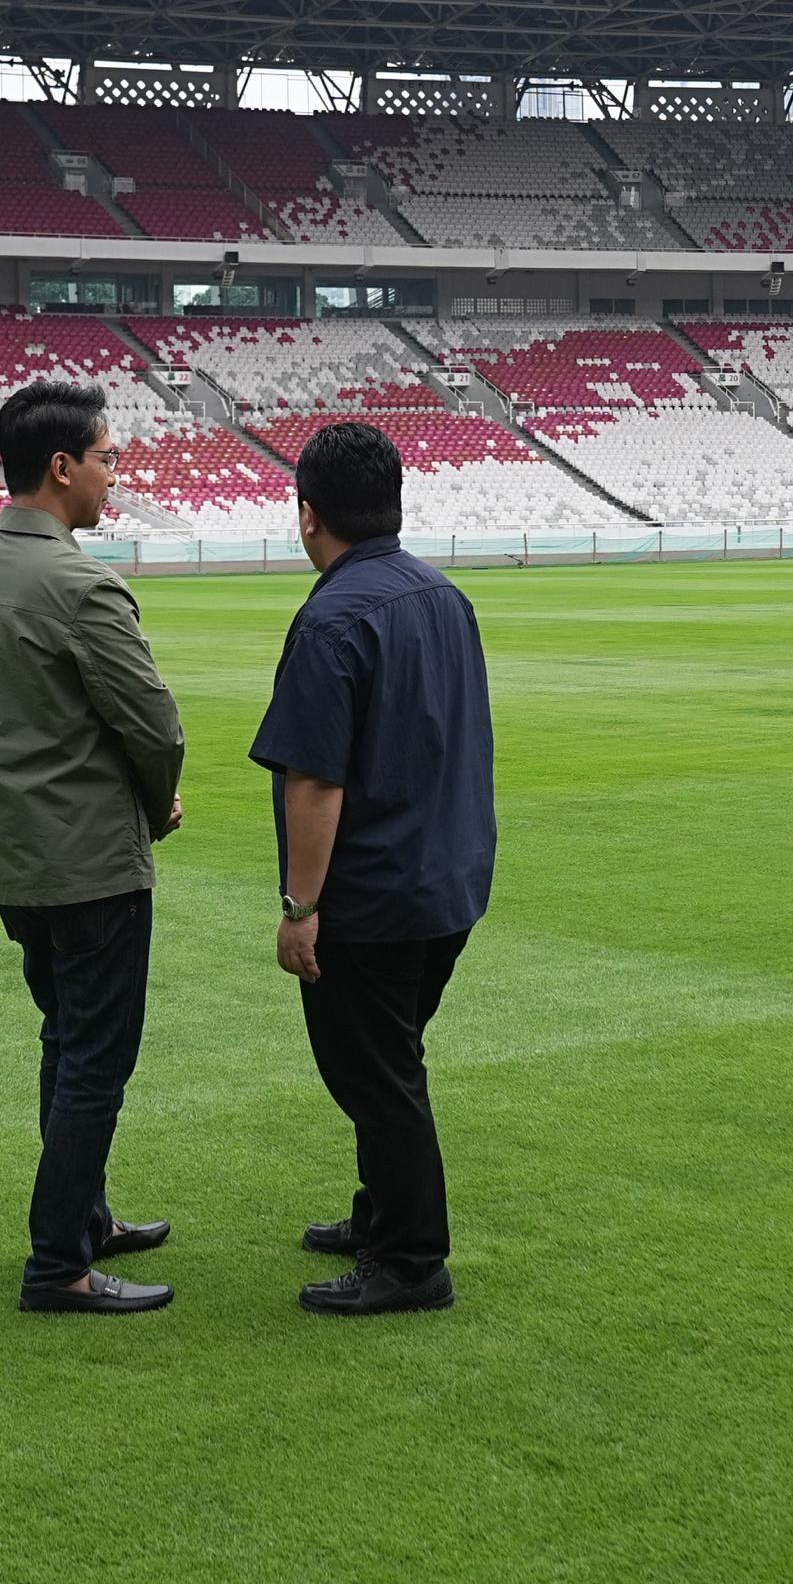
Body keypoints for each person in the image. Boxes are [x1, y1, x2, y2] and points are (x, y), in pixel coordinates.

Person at [0, 378, 186, 1315]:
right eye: (107, 458)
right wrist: (158, 801)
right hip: (91, 861)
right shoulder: (79, 583)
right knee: (96, 1058)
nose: (112, 476)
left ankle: (83, 1219)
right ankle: (59, 1264)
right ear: (61, 466)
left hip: (15, 858)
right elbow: (155, 726)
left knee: (64, 1038)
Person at [252, 418, 496, 1316]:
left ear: (307, 513)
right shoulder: (444, 597)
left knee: (375, 1073)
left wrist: (298, 904)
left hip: (375, 893)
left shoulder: (331, 620)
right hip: (450, 878)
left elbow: (314, 780)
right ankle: (382, 1213)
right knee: (391, 1057)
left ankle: (411, 1259)